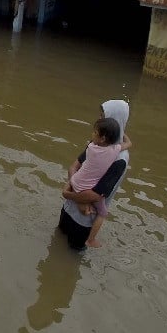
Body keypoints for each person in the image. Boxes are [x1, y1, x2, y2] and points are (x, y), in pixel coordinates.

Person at [58, 100, 132, 251]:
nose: (98, 119)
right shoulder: (97, 144)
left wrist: (68, 193)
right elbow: (75, 165)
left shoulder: (120, 159)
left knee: (73, 256)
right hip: (69, 208)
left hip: (84, 219)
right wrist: (73, 194)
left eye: (103, 115)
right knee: (57, 241)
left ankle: (90, 240)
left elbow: (96, 196)